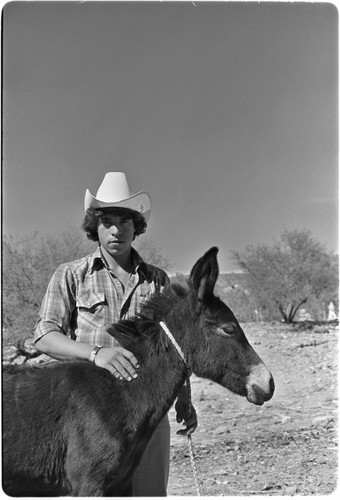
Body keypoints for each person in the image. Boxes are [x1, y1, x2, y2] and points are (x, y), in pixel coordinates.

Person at [34, 172, 197, 496]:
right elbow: (44, 334)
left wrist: (184, 400)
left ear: (137, 226)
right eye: (106, 220)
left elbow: (174, 348)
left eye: (125, 220)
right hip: (88, 413)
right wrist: (96, 353)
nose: (116, 229)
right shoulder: (70, 275)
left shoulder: (158, 280)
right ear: (93, 226)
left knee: (148, 493)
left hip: (151, 411)